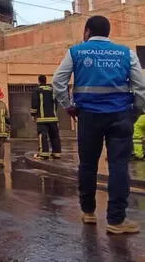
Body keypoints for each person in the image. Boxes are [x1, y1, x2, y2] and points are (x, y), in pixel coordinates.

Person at [53, 15, 145, 234]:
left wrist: (68, 106)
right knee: (118, 166)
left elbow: (58, 82)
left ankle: (88, 212)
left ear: (87, 32)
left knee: (87, 165)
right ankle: (116, 220)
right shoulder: (125, 53)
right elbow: (140, 87)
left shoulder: (76, 52)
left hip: (88, 117)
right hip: (120, 116)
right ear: (108, 32)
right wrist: (136, 111)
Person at [31, 74, 62, 160]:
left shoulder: (37, 90)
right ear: (46, 80)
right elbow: (56, 103)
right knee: (55, 136)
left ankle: (43, 154)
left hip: (42, 119)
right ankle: (57, 153)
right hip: (53, 118)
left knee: (43, 135)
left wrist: (33, 115)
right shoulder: (53, 90)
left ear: (39, 81)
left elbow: (34, 103)